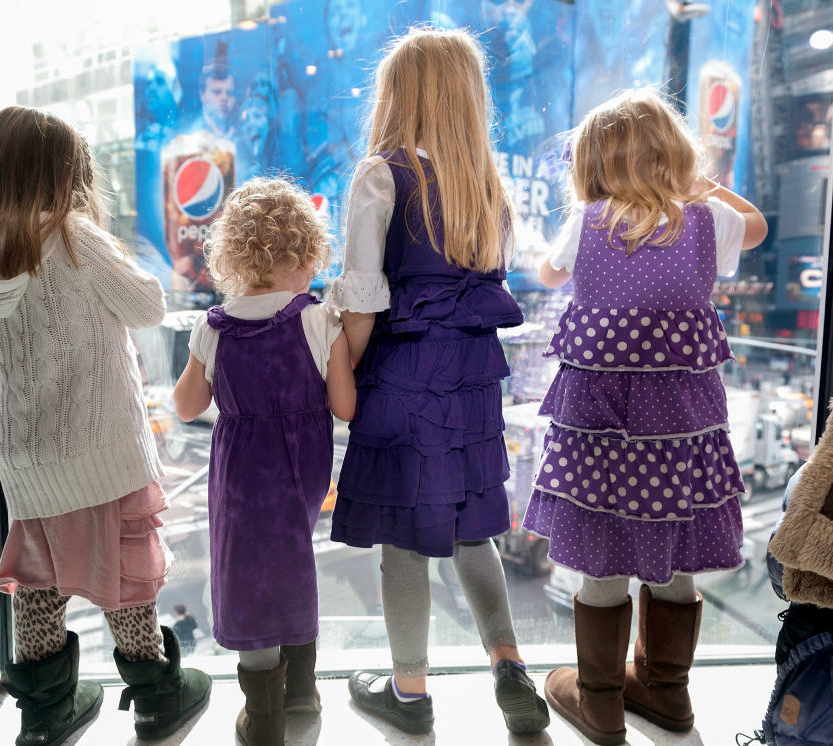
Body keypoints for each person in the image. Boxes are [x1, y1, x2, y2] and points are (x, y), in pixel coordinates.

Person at [0, 105, 211, 746]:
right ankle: (156, 695)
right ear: (63, 175)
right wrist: (108, 245)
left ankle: (45, 714)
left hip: (25, 453)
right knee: (125, 575)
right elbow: (149, 306)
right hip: (100, 448)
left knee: (37, 581)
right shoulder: (71, 235)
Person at [526, 88, 768, 745]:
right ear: (677, 154)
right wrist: (704, 185)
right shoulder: (707, 220)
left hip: (599, 419)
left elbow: (548, 277)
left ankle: (600, 700)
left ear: (593, 163)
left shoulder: (589, 220)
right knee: (676, 539)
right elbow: (759, 226)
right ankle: (666, 691)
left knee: (603, 548)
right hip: (681, 423)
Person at [326, 28, 548, 736]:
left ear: (400, 94)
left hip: (405, 379)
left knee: (404, 540)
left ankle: (410, 695)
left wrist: (343, 366)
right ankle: (509, 665)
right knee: (472, 531)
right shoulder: (488, 188)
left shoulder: (382, 175)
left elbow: (362, 297)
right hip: (474, 388)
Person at [174, 177, 357, 746]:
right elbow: (345, 406)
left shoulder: (213, 326)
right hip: (301, 470)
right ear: (307, 255)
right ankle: (301, 690)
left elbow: (186, 407)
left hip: (240, 475)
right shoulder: (315, 319)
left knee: (249, 577)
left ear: (232, 257)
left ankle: (264, 717)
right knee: (292, 560)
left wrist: (197, 359)